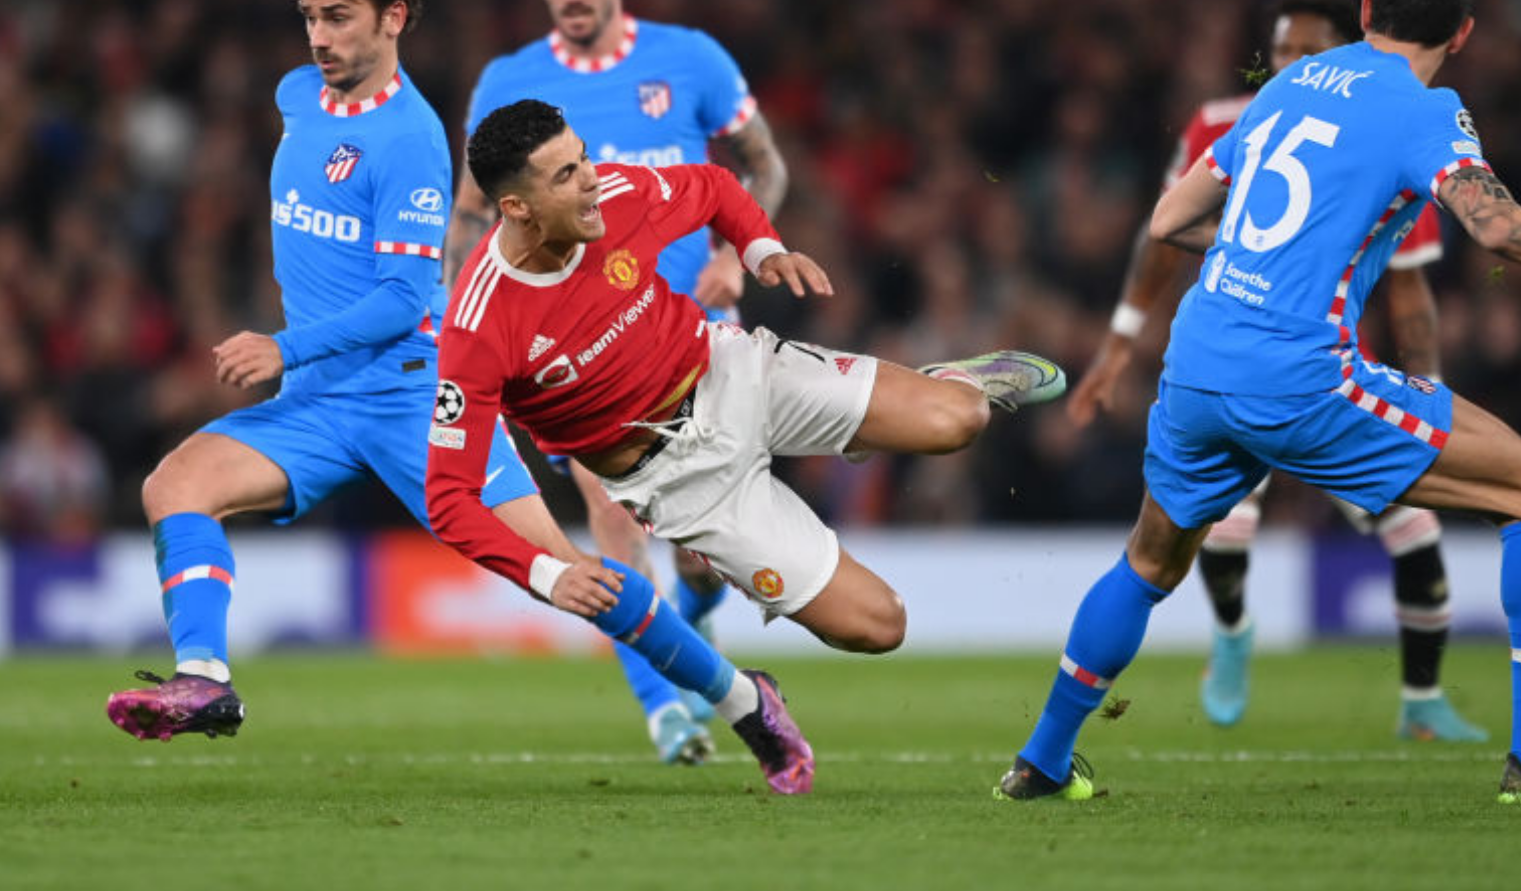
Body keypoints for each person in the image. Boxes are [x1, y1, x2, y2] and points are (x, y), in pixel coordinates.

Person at [104, 0, 811, 795]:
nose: (320, 37)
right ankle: (207, 682)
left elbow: (406, 301)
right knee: (174, 486)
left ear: (394, 18)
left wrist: (281, 347)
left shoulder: (412, 140)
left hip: (413, 399)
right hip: (319, 405)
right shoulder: (294, 97)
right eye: (311, 17)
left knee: (578, 578)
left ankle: (745, 700)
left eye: (340, 18)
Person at [1000, 0, 1521, 806]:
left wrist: (1269, 254)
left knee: (1148, 562)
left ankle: (1041, 762)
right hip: (1299, 376)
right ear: (1464, 34)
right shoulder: (1425, 109)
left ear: (1364, 10)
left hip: (1199, 358)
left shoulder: (1287, 83)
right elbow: (1500, 230)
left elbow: (1172, 218)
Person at [427, 99, 1066, 789]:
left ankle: (935, 384)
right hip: (679, 480)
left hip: (734, 371)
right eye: (566, 175)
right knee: (881, 626)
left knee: (961, 418)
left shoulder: (617, 194)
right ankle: (724, 579)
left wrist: (762, 248)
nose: (592, 180)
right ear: (517, 208)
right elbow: (448, 496)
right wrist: (551, 574)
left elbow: (716, 188)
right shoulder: (478, 325)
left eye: (584, 157)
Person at [1067, 0, 1484, 742]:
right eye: (1283, 52)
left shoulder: (1385, 131)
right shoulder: (1226, 121)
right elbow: (1162, 231)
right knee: (1217, 534)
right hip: (1235, 361)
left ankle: (1422, 699)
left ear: (1353, 46)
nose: (1292, 65)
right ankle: (1231, 633)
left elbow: (1411, 291)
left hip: (1327, 369)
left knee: (1414, 534)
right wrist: (1119, 343)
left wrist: (1430, 384)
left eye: (1308, 51)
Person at [452, 0, 789, 766]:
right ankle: (665, 712)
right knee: (615, 523)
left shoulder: (692, 60)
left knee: (709, 559)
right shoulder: (508, 83)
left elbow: (764, 164)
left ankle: (698, 615)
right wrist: (454, 320)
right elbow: (469, 213)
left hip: (699, 335)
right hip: (580, 361)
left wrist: (739, 251)